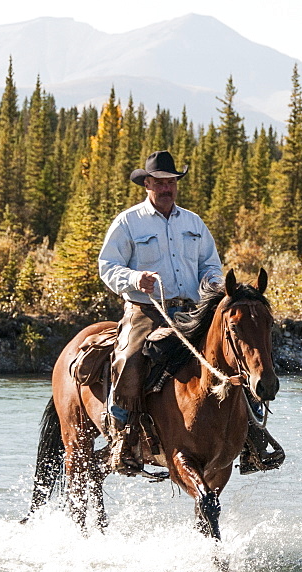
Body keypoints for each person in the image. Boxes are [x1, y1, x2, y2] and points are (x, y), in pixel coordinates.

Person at [98, 150, 223, 475]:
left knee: (233, 351)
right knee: (129, 359)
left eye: (171, 183)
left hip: (192, 310)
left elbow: (210, 263)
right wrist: (135, 278)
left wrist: (212, 282)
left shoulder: (192, 222)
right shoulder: (129, 221)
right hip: (147, 309)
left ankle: (252, 436)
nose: (167, 188)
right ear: (148, 184)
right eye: (160, 183)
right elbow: (107, 266)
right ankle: (122, 438)